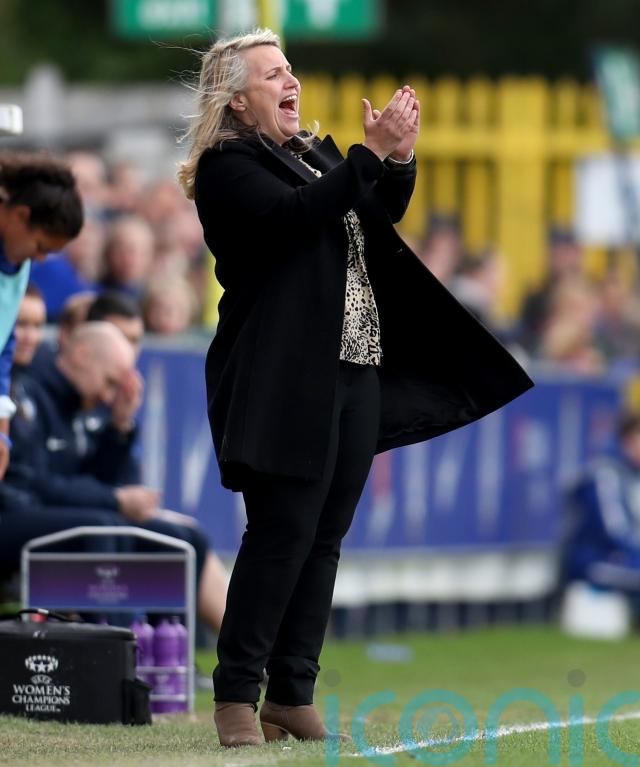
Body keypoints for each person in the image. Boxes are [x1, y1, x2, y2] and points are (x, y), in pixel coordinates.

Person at [177, 29, 533, 747]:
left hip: (354, 364)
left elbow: (374, 214)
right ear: (236, 100)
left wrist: (396, 159)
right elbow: (292, 219)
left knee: (325, 537)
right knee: (281, 531)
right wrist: (366, 156)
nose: (291, 82)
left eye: (290, 69)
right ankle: (237, 694)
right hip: (284, 375)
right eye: (273, 74)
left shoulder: (310, 154)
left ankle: (292, 692)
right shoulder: (226, 165)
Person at [5, 321, 228, 633]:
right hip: (16, 514)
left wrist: (119, 427)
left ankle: (167, 648)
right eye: (109, 382)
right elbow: (35, 485)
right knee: (105, 525)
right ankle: (119, 648)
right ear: (82, 354)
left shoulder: (84, 401)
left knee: (182, 540)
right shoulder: (30, 391)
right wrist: (115, 500)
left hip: (56, 511)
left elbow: (96, 480)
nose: (108, 395)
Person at [0, 152, 83, 481]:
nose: (40, 258)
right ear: (20, 216)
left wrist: (2, 428)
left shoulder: (20, 266)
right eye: (41, 246)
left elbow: (4, 344)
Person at [564, 411, 640, 593]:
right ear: (628, 440)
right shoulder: (606, 474)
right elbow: (615, 531)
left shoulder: (634, 475)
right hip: (596, 561)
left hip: (629, 562)